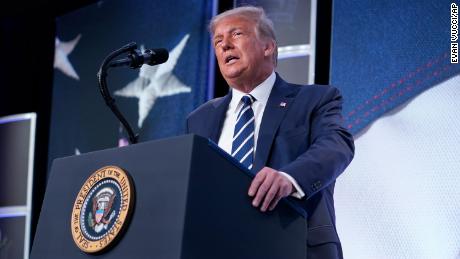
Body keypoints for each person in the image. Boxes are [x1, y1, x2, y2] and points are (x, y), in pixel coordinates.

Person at [186, 5, 354, 259]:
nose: (225, 45)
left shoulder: (314, 99)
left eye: (236, 34)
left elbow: (336, 145)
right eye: (218, 40)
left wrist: (289, 177)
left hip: (295, 245)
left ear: (268, 47)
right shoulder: (198, 119)